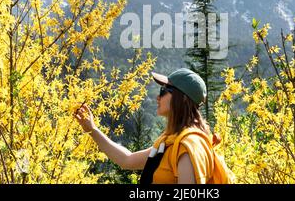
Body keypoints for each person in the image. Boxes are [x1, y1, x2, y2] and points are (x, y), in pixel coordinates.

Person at [74, 68, 215, 184]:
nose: (157, 97)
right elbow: (127, 160)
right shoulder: (169, 142)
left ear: (182, 99)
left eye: (164, 91)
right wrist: (92, 130)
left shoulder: (189, 146)